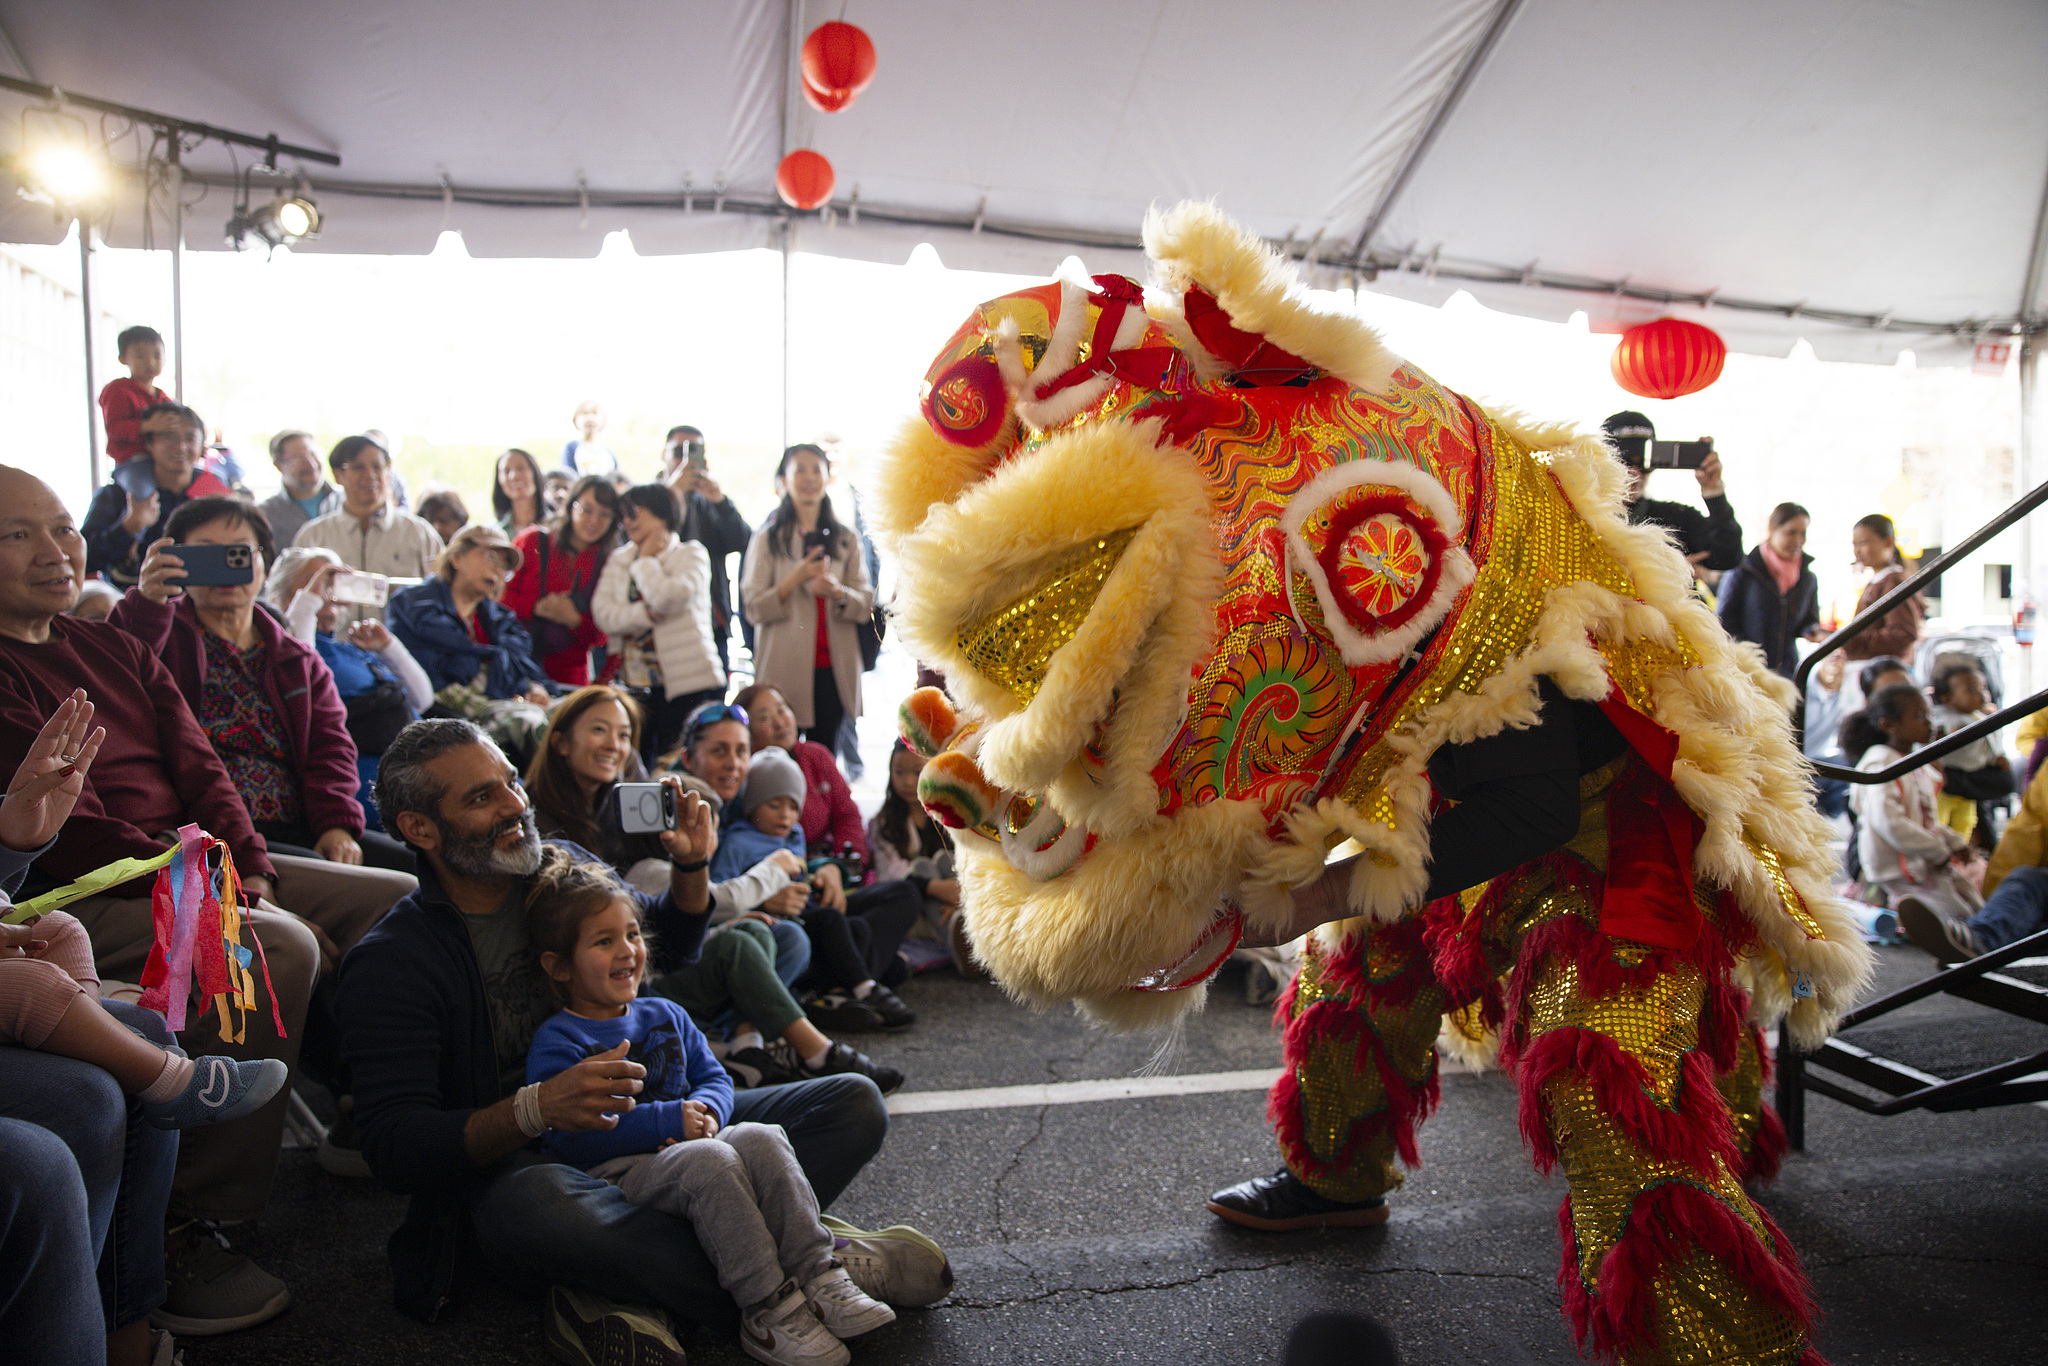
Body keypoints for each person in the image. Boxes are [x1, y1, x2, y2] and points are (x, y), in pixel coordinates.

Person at [335, 719, 939, 1354]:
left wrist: (691, 864)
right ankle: (808, 1264)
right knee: (539, 1209)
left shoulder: (562, 868)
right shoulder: (394, 961)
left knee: (849, 1104)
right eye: (481, 798)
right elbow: (394, 1145)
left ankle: (633, 1288)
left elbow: (668, 948)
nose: (516, 804)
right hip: (533, 1167)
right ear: (419, 828)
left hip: (660, 1125)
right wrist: (535, 1108)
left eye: (511, 782)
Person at [0, 464, 406, 1334]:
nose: (55, 550)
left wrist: (247, 866)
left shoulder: (109, 641)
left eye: (64, 527)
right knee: (281, 948)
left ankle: (369, 1112)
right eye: (17, 534)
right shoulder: (30, 664)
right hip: (93, 883)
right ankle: (192, 1215)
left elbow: (200, 764)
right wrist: (210, 879)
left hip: (202, 858)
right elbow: (65, 829)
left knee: (394, 895)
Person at [523, 855, 895, 1366]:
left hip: (693, 1144)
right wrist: (667, 1121)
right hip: (619, 1171)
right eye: (603, 941)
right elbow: (567, 1139)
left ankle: (819, 1275)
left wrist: (710, 1113)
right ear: (558, 965)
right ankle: (768, 1309)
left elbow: (714, 1077)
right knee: (712, 1163)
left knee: (762, 1137)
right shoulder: (560, 1039)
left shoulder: (664, 1013)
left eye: (632, 935)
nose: (627, 951)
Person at [108, 498, 418, 873]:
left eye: (238, 553)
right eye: (207, 555)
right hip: (202, 832)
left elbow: (330, 748)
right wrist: (147, 602)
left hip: (300, 823)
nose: (225, 566)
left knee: (417, 869)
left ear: (262, 563)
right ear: (179, 562)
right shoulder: (158, 634)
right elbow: (115, 680)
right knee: (376, 893)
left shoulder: (296, 660)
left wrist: (335, 824)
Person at [657, 702, 909, 1083]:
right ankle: (810, 1042)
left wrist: (830, 868)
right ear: (689, 758)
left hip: (781, 916)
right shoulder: (680, 801)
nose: (732, 763)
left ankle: (793, 1015)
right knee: (784, 935)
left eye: (741, 751)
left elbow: (837, 823)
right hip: (686, 951)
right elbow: (690, 899)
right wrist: (765, 888)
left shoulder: (742, 800)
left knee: (885, 906)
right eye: (718, 751)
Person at [734, 683, 922, 1017]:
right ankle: (859, 979)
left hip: (833, 882)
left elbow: (849, 818)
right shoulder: (745, 776)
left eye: (782, 709)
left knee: (904, 895)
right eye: (764, 716)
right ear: (746, 732)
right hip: (791, 898)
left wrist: (836, 866)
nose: (779, 721)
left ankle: (837, 986)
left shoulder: (816, 757)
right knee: (858, 936)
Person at [264, 546, 436, 830]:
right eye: (317, 578)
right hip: (373, 773)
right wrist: (309, 601)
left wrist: (389, 648)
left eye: (332, 579)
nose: (327, 586)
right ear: (286, 591)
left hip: (417, 756)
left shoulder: (351, 648)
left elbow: (423, 699)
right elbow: (301, 681)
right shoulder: (289, 651)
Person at [739, 445, 873, 755]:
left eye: (817, 469)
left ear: (828, 477)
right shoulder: (768, 538)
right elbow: (753, 607)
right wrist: (795, 578)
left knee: (824, 758)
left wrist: (836, 591)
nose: (809, 477)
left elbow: (866, 604)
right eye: (799, 469)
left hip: (833, 671)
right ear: (783, 479)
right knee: (778, 758)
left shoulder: (846, 538)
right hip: (782, 671)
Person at [387, 524, 556, 764]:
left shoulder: (498, 617)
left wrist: (533, 686)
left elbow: (521, 665)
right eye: (490, 557)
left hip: (504, 702)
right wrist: (495, 663)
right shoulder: (412, 604)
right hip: (443, 712)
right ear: (456, 557)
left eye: (505, 566)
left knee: (579, 714)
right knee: (531, 723)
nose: (498, 569)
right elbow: (438, 672)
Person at [595, 482, 725, 761]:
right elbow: (603, 614)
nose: (627, 520)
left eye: (634, 512)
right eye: (624, 513)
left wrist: (644, 562)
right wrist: (643, 615)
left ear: (662, 513)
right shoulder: (619, 560)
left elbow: (670, 598)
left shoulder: (690, 553)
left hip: (688, 685)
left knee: (678, 763)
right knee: (633, 763)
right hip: (633, 683)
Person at [1843, 682, 1980, 922]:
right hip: (1897, 869)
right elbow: (1890, 823)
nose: (1929, 723)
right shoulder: (1880, 763)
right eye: (1919, 716)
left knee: (1975, 902)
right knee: (1959, 914)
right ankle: (1898, 911)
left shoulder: (1915, 763)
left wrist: (1955, 843)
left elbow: (1926, 820)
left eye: (1929, 715)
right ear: (1889, 725)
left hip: (1921, 860)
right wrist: (1938, 851)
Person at [292, 435, 445, 626]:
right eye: (358, 467)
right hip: (332, 647)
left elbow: (443, 592)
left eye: (378, 467)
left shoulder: (419, 533)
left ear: (389, 473)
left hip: (400, 647)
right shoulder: (313, 536)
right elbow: (292, 597)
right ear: (337, 475)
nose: (370, 475)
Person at [80, 403, 232, 587]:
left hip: (203, 600)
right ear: (149, 444)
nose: (181, 447)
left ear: (202, 446)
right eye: (169, 437)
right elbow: (84, 560)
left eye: (190, 438)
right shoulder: (119, 495)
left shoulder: (217, 497)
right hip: (129, 602)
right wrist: (129, 527)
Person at [867, 738, 973, 976]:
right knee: (922, 867)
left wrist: (958, 895)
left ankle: (965, 928)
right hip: (916, 903)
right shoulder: (884, 822)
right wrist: (936, 888)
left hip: (958, 897)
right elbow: (892, 875)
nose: (907, 781)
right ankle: (966, 949)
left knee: (948, 860)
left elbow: (973, 859)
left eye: (917, 772)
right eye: (899, 772)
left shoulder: (953, 808)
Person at [504, 474, 620, 689]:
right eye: (586, 509)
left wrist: (574, 619)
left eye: (604, 515)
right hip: (514, 669)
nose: (594, 521)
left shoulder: (611, 564)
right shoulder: (531, 541)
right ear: (570, 506)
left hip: (569, 679)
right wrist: (536, 606)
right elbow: (497, 599)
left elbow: (605, 634)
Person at [1601, 410, 1743, 581]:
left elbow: (1728, 558)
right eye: (1624, 462)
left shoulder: (1678, 518)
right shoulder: (1583, 519)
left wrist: (1714, 493)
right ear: (1603, 463)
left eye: (1644, 463)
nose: (1635, 473)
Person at [662, 426, 752, 675]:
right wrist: (672, 494)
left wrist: (721, 502)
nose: (686, 460)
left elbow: (742, 542)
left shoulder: (709, 500)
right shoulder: (651, 498)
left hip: (712, 621)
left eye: (694, 452)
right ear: (664, 454)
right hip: (665, 622)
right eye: (679, 451)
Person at [1716, 501, 1823, 679]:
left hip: (1786, 675)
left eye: (1803, 533)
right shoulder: (1744, 570)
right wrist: (1745, 659)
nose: (1798, 540)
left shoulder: (1807, 578)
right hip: (1745, 674)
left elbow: (1808, 622)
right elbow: (1723, 622)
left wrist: (1815, 632)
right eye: (1791, 532)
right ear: (1772, 530)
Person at [1927, 657, 2013, 844]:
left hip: (1967, 782)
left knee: (1966, 821)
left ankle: (1960, 852)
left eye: (1983, 688)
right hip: (1945, 784)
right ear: (1946, 699)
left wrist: (1997, 758)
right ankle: (1939, 850)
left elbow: (1988, 745)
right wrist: (1946, 735)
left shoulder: (1978, 717)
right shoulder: (1946, 716)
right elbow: (1938, 732)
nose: (1982, 695)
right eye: (1972, 690)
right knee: (1938, 821)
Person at [1841, 512, 1923, 665]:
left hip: (1885, 671)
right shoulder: (1879, 581)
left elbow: (1902, 635)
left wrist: (1847, 640)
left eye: (1863, 543)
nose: (1857, 551)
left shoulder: (1894, 582)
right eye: (1855, 544)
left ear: (1888, 542)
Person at [256, 429, 342, 548]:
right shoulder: (266, 514)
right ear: (279, 465)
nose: (311, 464)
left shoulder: (347, 501)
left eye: (314, 454)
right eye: (300, 459)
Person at [96, 325, 168, 465]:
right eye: (140, 356)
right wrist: (147, 426)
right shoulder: (118, 391)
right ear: (123, 358)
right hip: (131, 462)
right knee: (142, 486)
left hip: (161, 462)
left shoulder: (163, 398)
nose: (150, 362)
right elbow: (114, 429)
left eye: (157, 355)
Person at [493, 447, 548, 538]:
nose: (514, 476)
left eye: (520, 468)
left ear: (535, 473)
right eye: (506, 471)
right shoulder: (495, 532)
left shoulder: (557, 526)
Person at [565, 400, 621, 479]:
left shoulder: (607, 452)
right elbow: (568, 476)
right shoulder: (572, 447)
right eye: (585, 413)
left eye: (595, 413)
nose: (590, 418)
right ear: (575, 419)